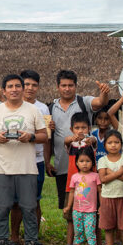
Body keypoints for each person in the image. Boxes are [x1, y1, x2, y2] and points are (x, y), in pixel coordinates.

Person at [0, 74, 48, 245]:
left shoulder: (33, 110)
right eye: (10, 86)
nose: (14, 89)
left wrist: (31, 137)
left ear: (22, 89)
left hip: (27, 167)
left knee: (28, 207)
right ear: (4, 91)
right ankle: (1, 241)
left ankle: (31, 242)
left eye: (17, 86)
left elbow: (44, 136)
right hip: (2, 167)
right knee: (2, 206)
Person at [46, 70, 109, 211]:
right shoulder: (51, 108)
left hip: (86, 167)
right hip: (63, 166)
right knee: (67, 206)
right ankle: (73, 233)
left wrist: (104, 93)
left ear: (76, 86)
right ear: (58, 87)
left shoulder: (83, 102)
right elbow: (49, 139)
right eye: (63, 85)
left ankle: (90, 231)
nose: (67, 89)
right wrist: (47, 162)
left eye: (70, 85)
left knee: (89, 204)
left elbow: (100, 102)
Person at [9, 69, 50, 242]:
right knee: (16, 202)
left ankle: (32, 237)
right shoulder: (10, 106)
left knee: (35, 200)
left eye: (34, 85)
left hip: (36, 160)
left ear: (38, 87)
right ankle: (14, 236)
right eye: (26, 84)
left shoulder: (42, 108)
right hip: (15, 159)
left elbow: (47, 136)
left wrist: (47, 162)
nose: (30, 88)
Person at [59, 113, 97, 245]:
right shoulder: (71, 143)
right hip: (73, 186)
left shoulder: (90, 141)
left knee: (94, 218)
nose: (80, 131)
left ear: (89, 128)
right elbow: (66, 140)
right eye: (77, 128)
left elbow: (93, 140)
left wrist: (89, 138)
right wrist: (72, 138)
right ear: (71, 128)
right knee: (71, 218)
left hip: (91, 188)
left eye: (83, 127)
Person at [62, 147, 100, 245]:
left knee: (90, 233)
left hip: (91, 210)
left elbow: (100, 191)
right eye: (82, 161)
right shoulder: (74, 177)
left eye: (88, 161)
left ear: (92, 163)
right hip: (76, 210)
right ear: (77, 163)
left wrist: (101, 206)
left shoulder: (95, 176)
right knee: (77, 232)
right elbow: (72, 192)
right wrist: (68, 206)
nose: (85, 164)